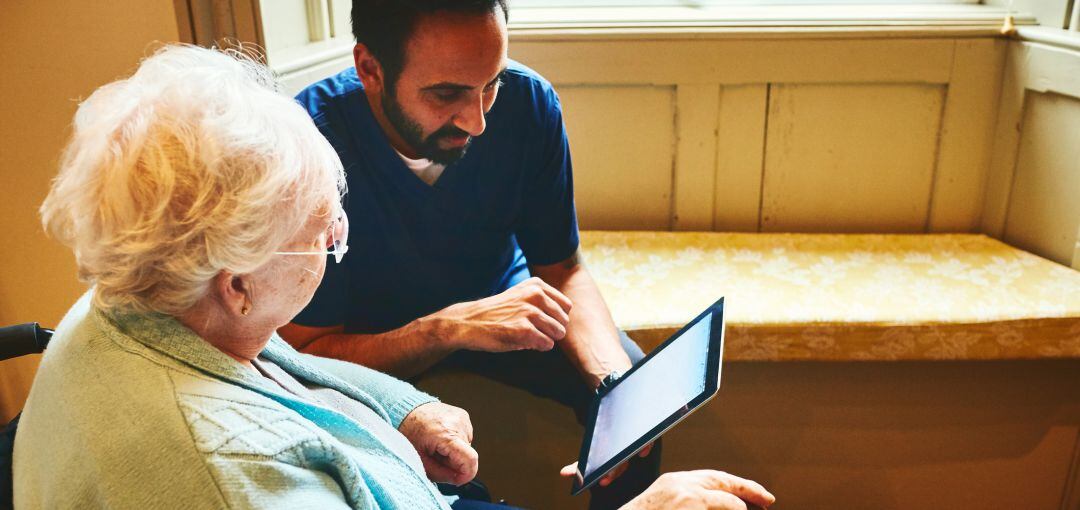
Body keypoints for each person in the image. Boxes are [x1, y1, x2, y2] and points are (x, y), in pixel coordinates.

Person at [14, 45, 775, 510]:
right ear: (238, 281)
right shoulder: (230, 479)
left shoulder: (140, 304)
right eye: (323, 224)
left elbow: (273, 359)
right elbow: (292, 369)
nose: (339, 230)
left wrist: (405, 410)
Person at [279, 2, 660, 507]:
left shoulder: (529, 103)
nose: (479, 121)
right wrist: (446, 327)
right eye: (447, 94)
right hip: (365, 343)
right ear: (370, 69)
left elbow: (563, 269)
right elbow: (303, 354)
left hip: (503, 303)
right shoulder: (307, 143)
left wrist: (613, 384)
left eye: (491, 84)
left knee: (638, 404)